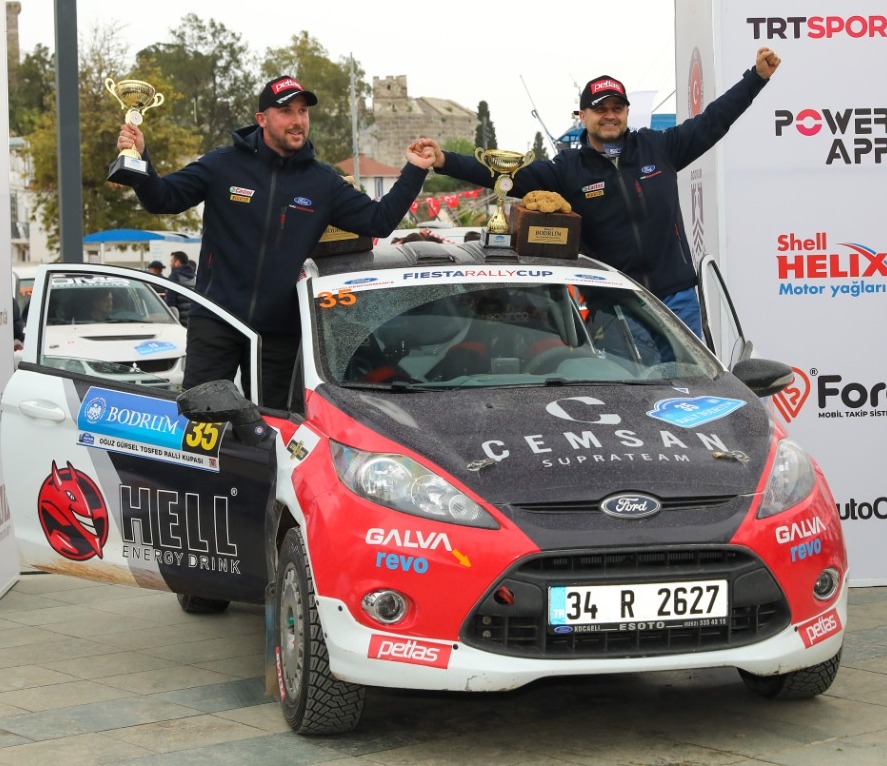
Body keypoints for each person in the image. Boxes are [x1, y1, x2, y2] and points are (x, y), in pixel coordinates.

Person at [116, 75, 436, 408]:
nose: (298, 121)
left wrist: (414, 170)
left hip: (279, 332)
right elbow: (162, 199)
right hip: (215, 319)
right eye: (286, 111)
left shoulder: (323, 182)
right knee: (202, 418)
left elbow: (378, 221)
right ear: (262, 119)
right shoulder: (222, 165)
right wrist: (141, 157)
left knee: (275, 426)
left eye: (303, 111)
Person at [418, 47, 782, 337]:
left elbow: (713, 121)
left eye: (616, 108)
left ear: (626, 112)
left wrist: (756, 78)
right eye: (600, 109)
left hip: (677, 299)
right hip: (616, 305)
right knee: (633, 397)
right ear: (582, 115)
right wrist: (445, 160)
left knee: (692, 391)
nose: (609, 115)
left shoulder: (659, 148)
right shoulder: (567, 169)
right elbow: (505, 173)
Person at [165, 251, 196, 325]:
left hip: (180, 321)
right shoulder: (194, 278)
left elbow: (170, 302)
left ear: (177, 262)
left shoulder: (174, 277)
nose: (170, 264)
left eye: (172, 261)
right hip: (192, 320)